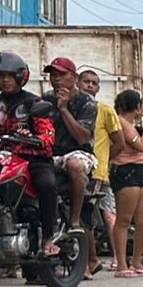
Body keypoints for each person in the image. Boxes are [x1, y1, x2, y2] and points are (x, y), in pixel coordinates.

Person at [0, 52, 59, 287]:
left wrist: (36, 139)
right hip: (1, 158)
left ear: (21, 77)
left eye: (10, 76)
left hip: (33, 158)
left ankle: (48, 238)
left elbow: (47, 134)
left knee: (46, 185)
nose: (6, 80)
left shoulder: (33, 102)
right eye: (1, 76)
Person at [41, 57, 101, 273]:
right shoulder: (45, 100)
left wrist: (64, 109)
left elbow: (83, 138)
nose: (56, 80)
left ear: (73, 78)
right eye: (53, 75)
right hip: (51, 155)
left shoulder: (86, 103)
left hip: (79, 153)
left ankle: (75, 220)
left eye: (61, 75)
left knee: (75, 165)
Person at [108, 90, 143, 277]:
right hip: (126, 171)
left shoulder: (131, 124)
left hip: (141, 170)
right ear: (137, 107)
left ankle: (136, 260)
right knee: (124, 219)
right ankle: (121, 263)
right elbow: (141, 145)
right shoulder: (122, 122)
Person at [78, 69, 119, 247]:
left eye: (94, 83)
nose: (90, 85)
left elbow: (119, 142)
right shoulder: (70, 108)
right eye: (86, 81)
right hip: (76, 167)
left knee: (104, 214)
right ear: (77, 83)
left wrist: (104, 160)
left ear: (98, 89)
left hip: (97, 172)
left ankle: (118, 259)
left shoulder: (105, 110)